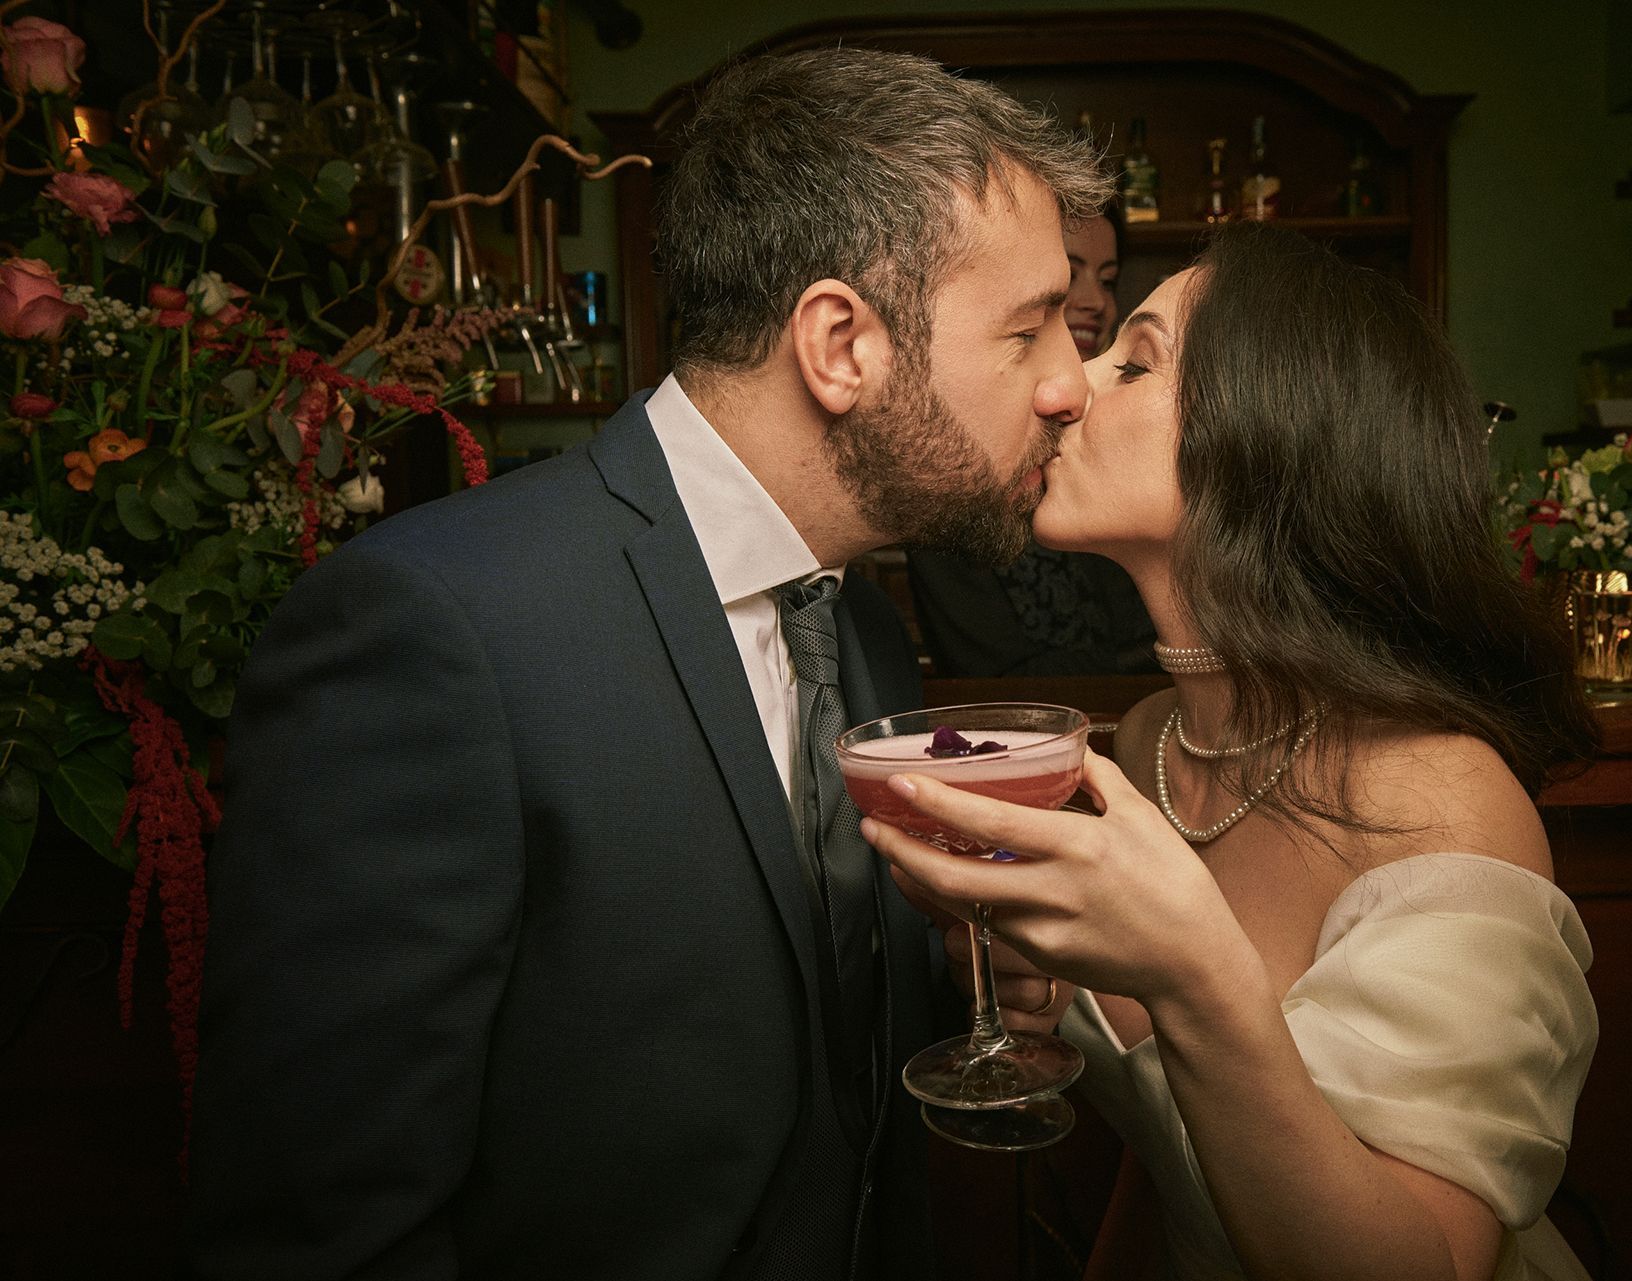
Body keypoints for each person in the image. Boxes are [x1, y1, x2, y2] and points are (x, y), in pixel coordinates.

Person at [185, 47, 1109, 1279]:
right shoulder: (436, 629)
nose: (1070, 383)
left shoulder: (863, 628)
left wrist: (958, 981)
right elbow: (317, 1223)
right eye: (1029, 327)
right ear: (841, 344)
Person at [863, 224, 1604, 1281]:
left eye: (1138, 358)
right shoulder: (1161, 737)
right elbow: (1177, 1164)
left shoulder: (1442, 806)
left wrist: (1190, 976)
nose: (1069, 385)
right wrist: (1033, 974)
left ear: (1273, 431)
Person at [907, 203, 1159, 676]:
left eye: (1107, 280)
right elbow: (980, 665)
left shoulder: (1130, 445)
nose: (1094, 301)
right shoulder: (961, 454)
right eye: (1067, 278)